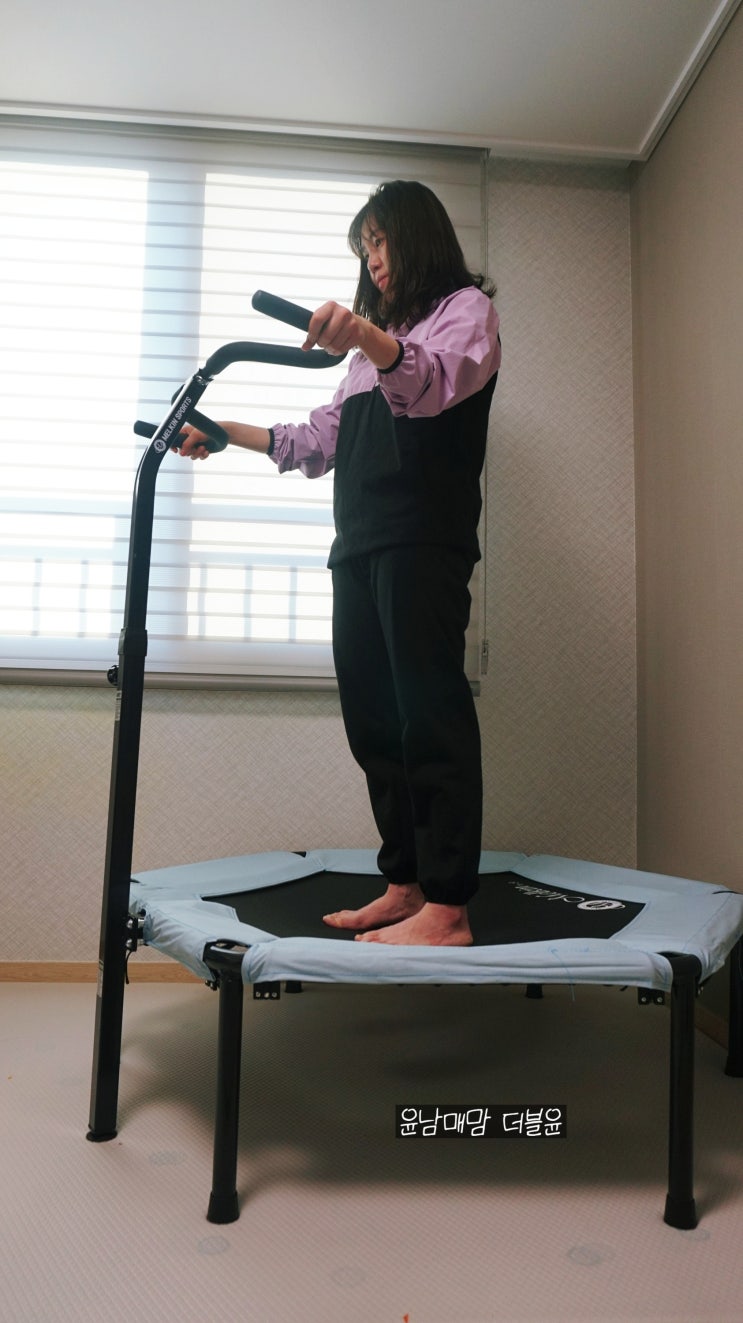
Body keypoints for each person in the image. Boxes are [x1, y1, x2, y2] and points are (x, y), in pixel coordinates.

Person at [177, 180, 501, 946]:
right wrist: (225, 431)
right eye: (364, 249)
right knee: (374, 724)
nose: (373, 259)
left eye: (380, 241)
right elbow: (317, 439)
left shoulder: (465, 312)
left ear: (416, 234)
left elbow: (429, 386)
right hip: (357, 546)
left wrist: (362, 334)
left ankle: (448, 908)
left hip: (422, 539)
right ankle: (405, 884)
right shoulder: (367, 353)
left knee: (428, 716)